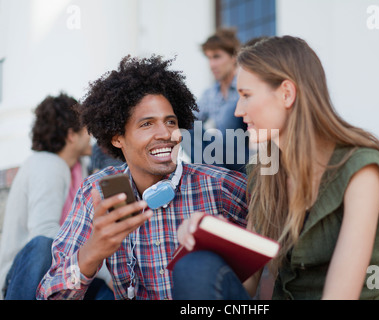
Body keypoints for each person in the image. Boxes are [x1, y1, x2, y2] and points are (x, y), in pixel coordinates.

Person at [172, 36, 379, 300]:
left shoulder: (361, 170)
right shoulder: (265, 172)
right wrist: (214, 243)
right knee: (196, 266)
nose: (238, 110)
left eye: (246, 95)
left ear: (286, 93)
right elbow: (245, 286)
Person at [36, 55, 248, 300]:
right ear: (117, 138)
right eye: (147, 124)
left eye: (170, 122)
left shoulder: (220, 186)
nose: (165, 133)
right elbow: (49, 295)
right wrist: (92, 253)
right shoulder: (96, 193)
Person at [0, 93, 111, 299]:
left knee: (106, 292)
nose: (91, 135)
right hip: (23, 277)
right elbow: (45, 234)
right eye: (86, 129)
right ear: (71, 135)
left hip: (63, 272)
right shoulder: (47, 165)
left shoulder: (79, 169)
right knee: (44, 243)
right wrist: (104, 270)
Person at [186, 28, 250, 173]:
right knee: (185, 124)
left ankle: (213, 173)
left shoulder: (247, 84)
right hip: (218, 155)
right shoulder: (210, 94)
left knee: (229, 111)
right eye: (209, 58)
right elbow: (191, 121)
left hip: (244, 155)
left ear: (234, 57)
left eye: (217, 57)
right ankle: (211, 174)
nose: (212, 65)